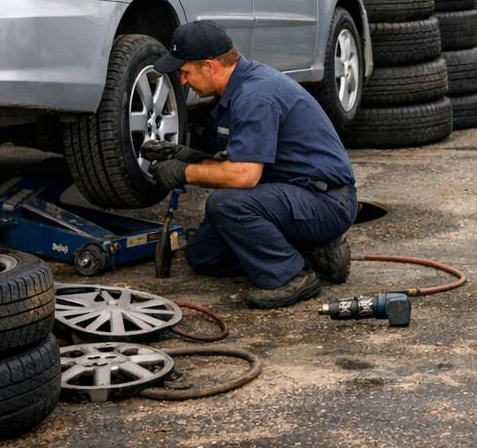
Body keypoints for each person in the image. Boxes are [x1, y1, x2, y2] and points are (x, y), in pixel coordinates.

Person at [149, 20, 357, 309]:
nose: (182, 81)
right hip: (290, 194)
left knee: (226, 205)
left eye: (185, 72)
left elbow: (244, 175)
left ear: (210, 66)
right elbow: (233, 158)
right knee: (203, 254)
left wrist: (183, 172)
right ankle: (312, 253)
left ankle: (292, 276)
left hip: (325, 201)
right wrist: (188, 156)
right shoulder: (235, 92)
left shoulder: (255, 96)